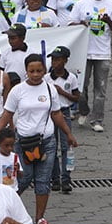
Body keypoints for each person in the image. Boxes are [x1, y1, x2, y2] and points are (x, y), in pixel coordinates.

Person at [0, 54, 78, 224]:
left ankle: (39, 218)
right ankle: (4, 209)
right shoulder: (18, 91)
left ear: (44, 71)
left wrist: (68, 134)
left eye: (39, 71)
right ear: (26, 71)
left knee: (43, 181)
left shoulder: (50, 89)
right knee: (22, 178)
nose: (36, 74)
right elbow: (7, 113)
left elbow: (56, 113)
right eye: (32, 71)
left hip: (46, 142)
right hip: (23, 142)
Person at [72, 0, 112, 133]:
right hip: (84, 52)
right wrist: (81, 24)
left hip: (102, 52)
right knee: (81, 86)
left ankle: (97, 119)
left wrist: (108, 21)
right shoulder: (81, 4)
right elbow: (70, 24)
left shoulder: (111, 4)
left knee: (101, 88)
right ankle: (83, 109)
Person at [47, 46, 79, 194]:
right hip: (50, 113)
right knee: (52, 146)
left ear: (65, 61)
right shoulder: (47, 78)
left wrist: (63, 93)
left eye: (58, 59)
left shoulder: (71, 78)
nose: (54, 62)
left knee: (66, 147)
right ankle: (54, 178)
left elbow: (76, 97)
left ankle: (66, 179)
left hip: (65, 112)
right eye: (53, 59)